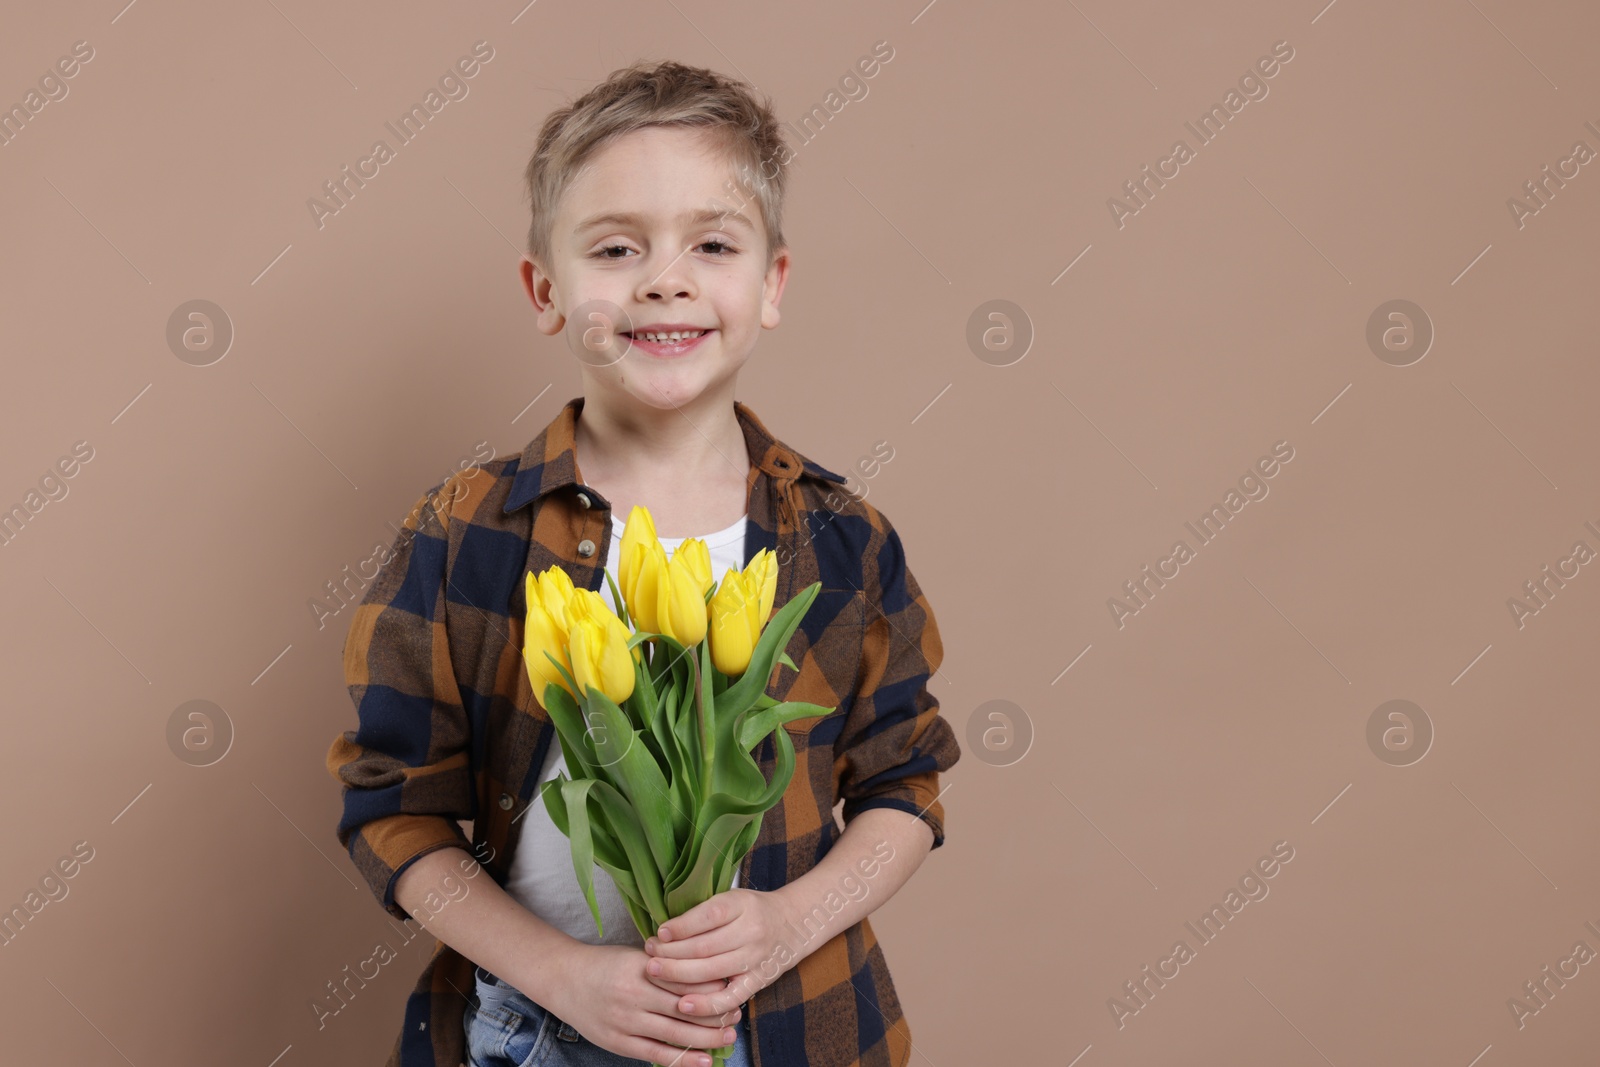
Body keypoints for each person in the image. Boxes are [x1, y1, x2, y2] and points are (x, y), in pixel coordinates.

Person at [326, 58, 960, 1067]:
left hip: (783, 1026)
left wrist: (789, 924)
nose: (665, 277)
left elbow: (907, 787)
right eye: (617, 247)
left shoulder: (840, 540)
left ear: (772, 282)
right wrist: (558, 970)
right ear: (547, 290)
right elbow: (393, 810)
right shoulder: (464, 534)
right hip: (531, 1025)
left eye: (712, 243)